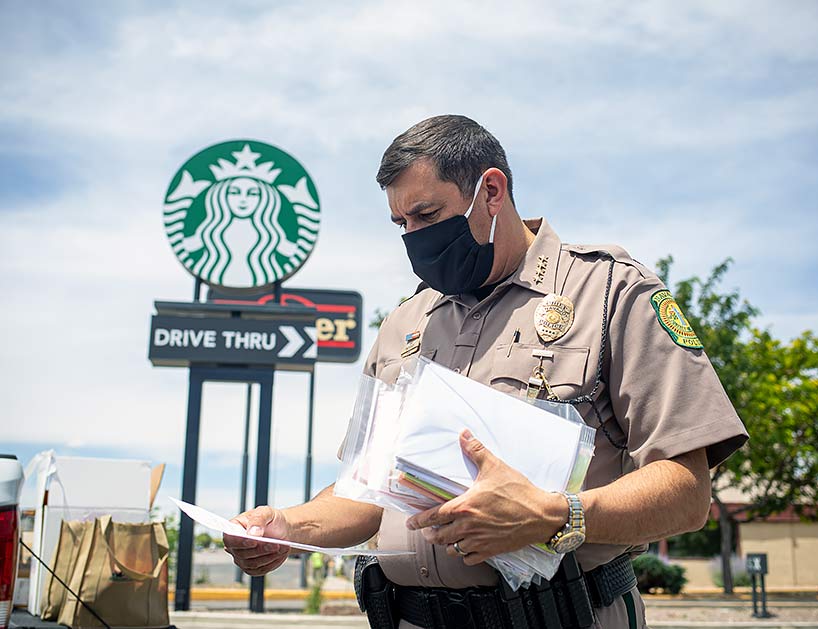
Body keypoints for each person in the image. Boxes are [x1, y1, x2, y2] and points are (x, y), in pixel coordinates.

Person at [223, 115, 748, 628]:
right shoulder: (406, 322)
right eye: (401, 224)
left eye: (427, 216)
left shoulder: (609, 293)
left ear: (491, 192)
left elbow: (686, 491)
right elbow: (367, 492)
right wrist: (290, 526)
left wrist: (555, 514)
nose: (413, 238)